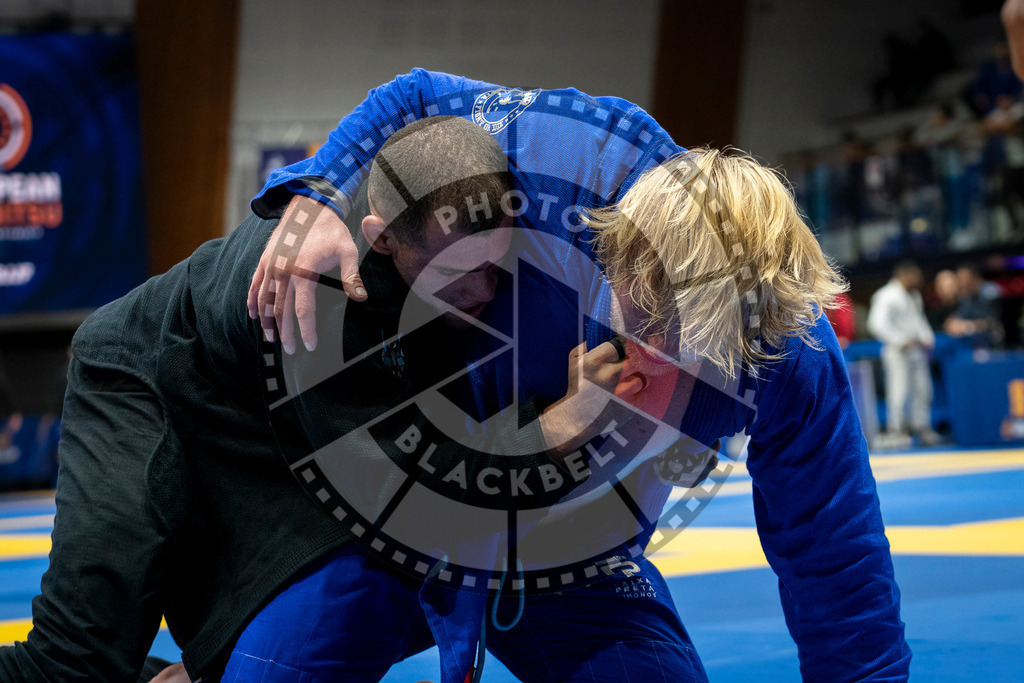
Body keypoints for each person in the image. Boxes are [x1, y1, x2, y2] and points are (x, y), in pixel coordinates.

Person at [250, 69, 911, 681]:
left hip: (571, 544)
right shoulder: (567, 167)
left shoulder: (788, 350)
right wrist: (317, 197)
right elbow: (413, 95)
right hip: (401, 503)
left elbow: (834, 546)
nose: (646, 352)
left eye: (676, 344)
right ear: (611, 250)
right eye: (637, 322)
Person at [867, 260, 940, 448]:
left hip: (917, 349)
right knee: (898, 391)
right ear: (903, 275)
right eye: (915, 276)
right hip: (897, 350)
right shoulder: (886, 295)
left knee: (923, 389)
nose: (918, 280)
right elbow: (876, 324)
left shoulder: (914, 295)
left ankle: (922, 427)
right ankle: (896, 430)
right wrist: (899, 340)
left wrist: (927, 337)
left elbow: (919, 321)